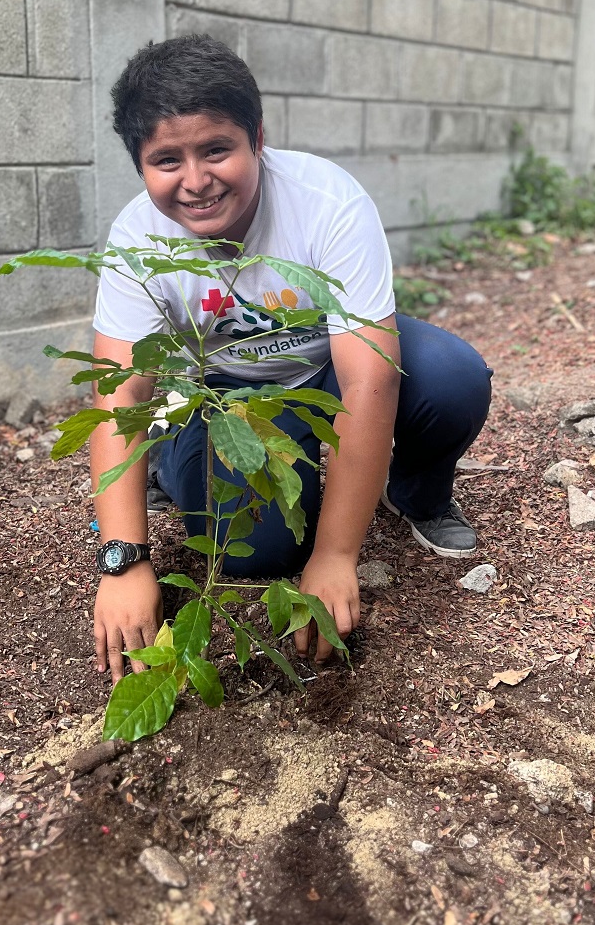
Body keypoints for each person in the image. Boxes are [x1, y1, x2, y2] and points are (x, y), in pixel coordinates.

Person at [90, 35, 492, 683]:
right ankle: (176, 456)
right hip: (222, 393)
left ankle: (413, 492)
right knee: (259, 550)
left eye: (216, 149)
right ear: (140, 164)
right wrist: (125, 558)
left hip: (323, 366)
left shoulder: (326, 203)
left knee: (448, 380)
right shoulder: (138, 237)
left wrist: (336, 553)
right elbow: (119, 393)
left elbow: (368, 376)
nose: (195, 180)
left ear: (257, 137)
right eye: (166, 159)